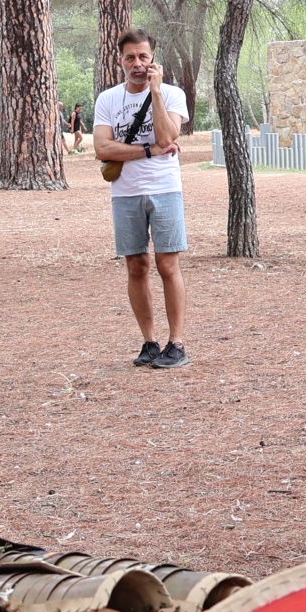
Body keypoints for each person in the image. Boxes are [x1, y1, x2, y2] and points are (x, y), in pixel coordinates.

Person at [93, 31, 190, 369]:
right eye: (130, 58)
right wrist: (149, 150)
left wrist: (157, 92)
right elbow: (103, 149)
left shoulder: (172, 94)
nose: (137, 64)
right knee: (136, 265)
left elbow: (168, 135)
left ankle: (176, 343)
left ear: (153, 59)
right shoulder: (108, 99)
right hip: (125, 193)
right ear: (119, 60)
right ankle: (149, 341)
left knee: (167, 264)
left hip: (165, 189)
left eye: (143, 57)